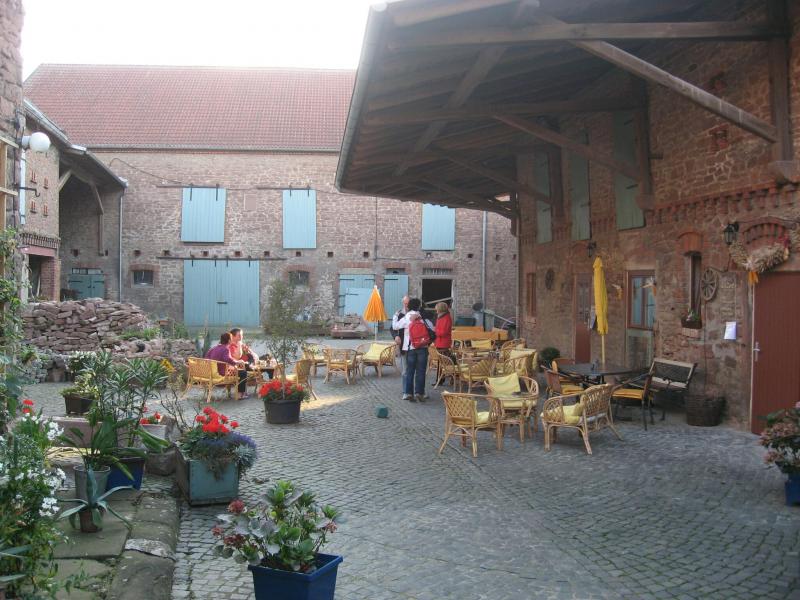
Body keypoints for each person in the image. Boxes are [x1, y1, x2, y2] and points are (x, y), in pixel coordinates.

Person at [393, 297, 434, 402]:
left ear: (409, 306)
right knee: (421, 371)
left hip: (411, 347)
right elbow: (432, 328)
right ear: (419, 306)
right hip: (423, 347)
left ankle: (408, 393)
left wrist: (395, 316)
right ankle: (419, 392)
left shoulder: (407, 317)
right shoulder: (422, 316)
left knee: (410, 371)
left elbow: (395, 326)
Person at [205, 333, 247, 398]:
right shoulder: (226, 349)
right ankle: (240, 394)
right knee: (243, 372)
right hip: (222, 373)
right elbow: (228, 359)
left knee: (237, 371)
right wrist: (238, 362)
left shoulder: (213, 348)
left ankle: (238, 393)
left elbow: (206, 357)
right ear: (229, 340)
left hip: (211, 373)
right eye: (231, 339)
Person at [229, 328, 258, 399]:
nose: (241, 337)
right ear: (233, 336)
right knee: (243, 372)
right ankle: (240, 394)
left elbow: (252, 353)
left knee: (250, 357)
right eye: (239, 335)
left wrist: (252, 353)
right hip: (231, 367)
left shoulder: (239, 343)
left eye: (242, 335)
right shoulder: (230, 345)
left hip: (240, 365)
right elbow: (232, 358)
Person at [391, 295, 410, 389]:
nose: (406, 305)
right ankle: (405, 390)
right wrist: (396, 336)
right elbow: (392, 328)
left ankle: (413, 390)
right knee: (405, 370)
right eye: (405, 303)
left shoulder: (415, 313)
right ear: (403, 303)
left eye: (408, 303)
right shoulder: (399, 314)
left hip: (414, 346)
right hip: (403, 345)